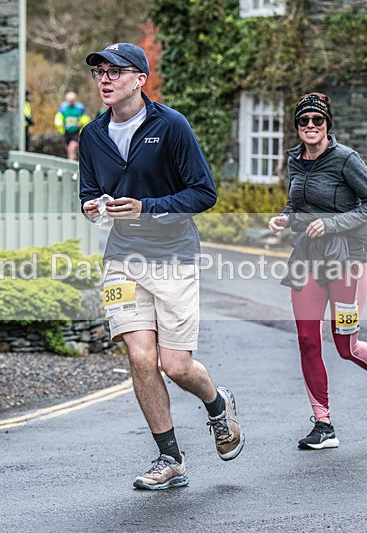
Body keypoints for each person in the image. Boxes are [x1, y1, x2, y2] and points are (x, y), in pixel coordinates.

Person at [78, 42, 244, 491]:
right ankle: (169, 458)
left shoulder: (171, 126)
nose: (105, 79)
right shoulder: (92, 135)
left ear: (140, 79)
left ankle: (216, 401)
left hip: (174, 258)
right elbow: (88, 193)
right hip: (122, 260)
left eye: (116, 71)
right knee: (139, 357)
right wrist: (95, 207)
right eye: (100, 72)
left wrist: (147, 207)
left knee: (175, 365)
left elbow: (203, 193)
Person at [267, 92, 367, 450]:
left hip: (348, 260)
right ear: (297, 127)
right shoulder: (296, 160)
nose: (311, 127)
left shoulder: (345, 160)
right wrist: (287, 217)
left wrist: (333, 223)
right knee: (308, 340)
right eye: (304, 121)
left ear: (327, 125)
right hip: (308, 257)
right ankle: (323, 424)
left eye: (317, 121)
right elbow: (297, 203)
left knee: (345, 345)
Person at [54, 91, 90, 160]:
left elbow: (86, 117)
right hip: (66, 131)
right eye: (69, 100)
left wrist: (81, 123)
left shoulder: (79, 107)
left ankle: (72, 163)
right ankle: (73, 162)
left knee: (72, 148)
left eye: (72, 100)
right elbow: (58, 117)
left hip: (76, 131)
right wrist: (59, 123)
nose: (70, 102)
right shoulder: (63, 107)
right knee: (68, 149)